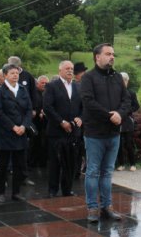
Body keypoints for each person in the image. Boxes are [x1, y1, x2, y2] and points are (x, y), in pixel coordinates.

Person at [80, 43, 130, 222]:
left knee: (108, 172)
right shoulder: (88, 78)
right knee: (93, 171)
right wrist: (110, 115)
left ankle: (107, 207)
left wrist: (120, 114)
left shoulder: (117, 77)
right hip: (95, 133)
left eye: (113, 54)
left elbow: (126, 100)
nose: (112, 57)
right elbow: (88, 102)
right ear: (97, 57)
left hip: (114, 133)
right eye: (108, 54)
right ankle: (92, 208)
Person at [0, 63, 34, 202]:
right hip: (5, 133)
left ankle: (16, 192)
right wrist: (13, 127)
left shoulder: (23, 89)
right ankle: (0, 192)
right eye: (12, 73)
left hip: (21, 133)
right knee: (3, 165)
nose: (15, 75)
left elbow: (29, 110)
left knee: (19, 165)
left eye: (17, 73)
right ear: (5, 76)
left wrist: (24, 125)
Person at [43, 61, 83, 197]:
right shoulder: (52, 86)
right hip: (57, 131)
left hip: (73, 131)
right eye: (67, 68)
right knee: (55, 162)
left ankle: (67, 189)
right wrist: (61, 122)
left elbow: (84, 106)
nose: (70, 71)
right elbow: (48, 107)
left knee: (71, 162)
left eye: (72, 69)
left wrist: (81, 118)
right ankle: (52, 190)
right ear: (60, 70)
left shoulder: (78, 86)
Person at [116, 72, 140, 172]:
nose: (123, 82)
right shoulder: (115, 93)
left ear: (127, 81)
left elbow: (136, 106)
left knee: (129, 143)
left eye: (125, 80)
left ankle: (133, 164)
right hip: (118, 120)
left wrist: (128, 111)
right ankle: (121, 164)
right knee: (119, 144)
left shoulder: (131, 93)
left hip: (128, 120)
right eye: (121, 80)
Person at [29, 75, 49, 168]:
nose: (44, 85)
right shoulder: (34, 94)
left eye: (46, 83)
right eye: (42, 83)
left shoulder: (49, 93)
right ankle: (32, 163)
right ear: (37, 83)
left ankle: (42, 162)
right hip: (35, 122)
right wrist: (38, 111)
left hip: (46, 123)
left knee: (44, 143)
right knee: (34, 142)